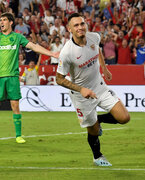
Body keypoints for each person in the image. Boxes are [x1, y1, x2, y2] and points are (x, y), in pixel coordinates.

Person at [56, 13, 130, 166]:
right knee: (93, 131)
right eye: (75, 25)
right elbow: (59, 79)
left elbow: (98, 51)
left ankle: (99, 120)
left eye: (82, 23)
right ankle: (98, 157)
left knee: (124, 118)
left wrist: (104, 68)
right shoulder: (67, 52)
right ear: (70, 29)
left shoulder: (94, 37)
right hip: (81, 96)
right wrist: (81, 89)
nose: (80, 27)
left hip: (99, 86)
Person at [0, 12, 59, 144]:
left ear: (10, 22)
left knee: (15, 106)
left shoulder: (17, 37)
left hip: (13, 77)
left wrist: (51, 53)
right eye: (0, 20)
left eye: (4, 20)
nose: (1, 22)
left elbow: (34, 46)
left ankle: (18, 136)